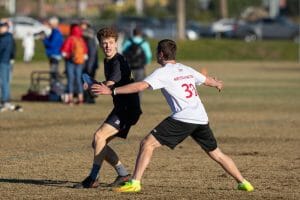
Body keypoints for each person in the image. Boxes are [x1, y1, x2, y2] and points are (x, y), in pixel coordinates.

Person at [92, 39, 254, 193]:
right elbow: (207, 80)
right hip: (201, 118)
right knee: (216, 153)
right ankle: (244, 183)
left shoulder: (163, 72)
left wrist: (112, 91)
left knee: (147, 144)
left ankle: (135, 183)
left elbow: (141, 86)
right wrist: (217, 83)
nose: (156, 55)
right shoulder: (186, 68)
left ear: (161, 54)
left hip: (183, 118)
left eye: (157, 52)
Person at [73, 27, 142, 188]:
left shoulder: (118, 61)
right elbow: (107, 85)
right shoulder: (107, 61)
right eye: (104, 43)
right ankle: (123, 174)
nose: (108, 46)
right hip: (121, 108)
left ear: (116, 44)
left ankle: (93, 178)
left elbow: (110, 83)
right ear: (100, 45)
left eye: (111, 43)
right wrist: (92, 83)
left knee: (99, 137)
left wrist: (94, 86)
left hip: (128, 110)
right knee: (98, 142)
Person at [61, 24, 88, 105]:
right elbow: (86, 54)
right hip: (80, 62)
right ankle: (80, 99)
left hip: (70, 61)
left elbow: (63, 52)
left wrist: (69, 56)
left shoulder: (70, 39)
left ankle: (70, 99)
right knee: (79, 80)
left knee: (70, 79)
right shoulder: (81, 39)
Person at [0, 21, 20, 112]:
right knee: (6, 81)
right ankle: (5, 100)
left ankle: (5, 100)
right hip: (7, 61)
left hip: (3, 61)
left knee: (4, 82)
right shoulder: (9, 37)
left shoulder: (6, 37)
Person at [80, 19, 99, 104]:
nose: (81, 26)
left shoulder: (89, 37)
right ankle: (87, 97)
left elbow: (92, 53)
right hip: (89, 64)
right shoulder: (87, 37)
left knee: (88, 82)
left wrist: (89, 66)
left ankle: (90, 98)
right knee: (86, 81)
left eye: (83, 24)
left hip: (89, 64)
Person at [42, 16, 64, 83]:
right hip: (53, 55)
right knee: (53, 72)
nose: (49, 25)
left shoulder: (56, 33)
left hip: (55, 55)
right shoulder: (54, 32)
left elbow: (52, 44)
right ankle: (55, 86)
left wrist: (44, 39)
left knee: (54, 73)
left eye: (50, 24)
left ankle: (56, 88)